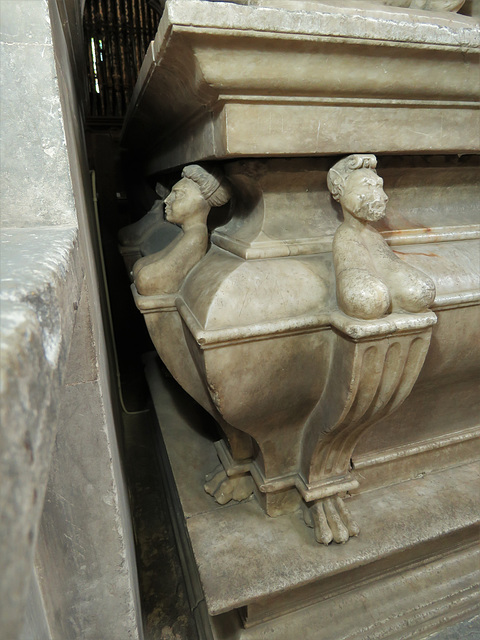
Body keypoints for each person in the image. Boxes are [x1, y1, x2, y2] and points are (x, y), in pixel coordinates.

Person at [327, 154, 435, 320]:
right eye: (367, 186)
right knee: (369, 300)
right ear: (340, 190)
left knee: (421, 290)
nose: (383, 196)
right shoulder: (345, 235)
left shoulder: (372, 235)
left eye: (378, 186)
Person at [133, 164, 231, 296]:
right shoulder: (187, 232)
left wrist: (140, 271)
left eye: (178, 195)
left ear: (200, 202)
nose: (167, 200)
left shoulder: (196, 237)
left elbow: (148, 281)